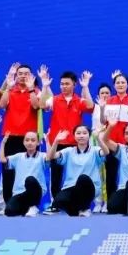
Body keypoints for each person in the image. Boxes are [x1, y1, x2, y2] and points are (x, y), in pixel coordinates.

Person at [41, 68, 94, 207]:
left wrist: (85, 87)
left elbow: (90, 106)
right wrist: (45, 86)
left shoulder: (79, 100)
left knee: (76, 174)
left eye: (67, 84)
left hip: (74, 144)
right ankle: (55, 203)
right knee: (56, 175)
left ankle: (78, 202)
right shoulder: (54, 99)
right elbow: (41, 105)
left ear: (74, 84)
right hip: (57, 143)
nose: (63, 86)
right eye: (62, 84)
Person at [0, 63, 42, 210]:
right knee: (8, 171)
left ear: (31, 76)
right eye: (20, 73)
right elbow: (2, 105)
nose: (23, 76)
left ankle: (31, 204)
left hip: (29, 139)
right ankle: (8, 202)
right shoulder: (11, 90)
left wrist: (31, 89)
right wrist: (8, 87)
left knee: (30, 171)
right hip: (10, 136)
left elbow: (36, 106)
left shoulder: (36, 91)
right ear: (15, 76)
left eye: (26, 73)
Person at [47, 125, 106, 216]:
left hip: (90, 187)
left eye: (84, 133)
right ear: (74, 136)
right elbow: (51, 157)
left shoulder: (95, 150)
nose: (81, 136)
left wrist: (98, 138)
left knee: (83, 178)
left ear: (89, 135)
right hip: (71, 186)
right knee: (58, 201)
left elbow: (106, 152)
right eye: (78, 133)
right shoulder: (68, 151)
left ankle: (85, 208)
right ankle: (76, 210)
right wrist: (56, 141)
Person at [102, 72, 128, 199]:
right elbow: (103, 121)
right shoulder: (109, 101)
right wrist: (102, 108)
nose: (120, 84)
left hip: (127, 144)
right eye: (117, 82)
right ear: (114, 85)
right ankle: (111, 202)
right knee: (110, 174)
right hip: (111, 143)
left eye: (123, 82)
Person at [0, 131, 47, 217]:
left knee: (30, 180)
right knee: (9, 211)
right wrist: (3, 143)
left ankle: (33, 206)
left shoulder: (42, 156)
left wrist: (48, 142)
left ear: (38, 142)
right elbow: (2, 160)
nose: (30, 143)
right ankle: (26, 208)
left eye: (33, 140)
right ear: (23, 142)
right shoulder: (18, 157)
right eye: (27, 140)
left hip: (36, 191)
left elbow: (50, 157)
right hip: (19, 192)